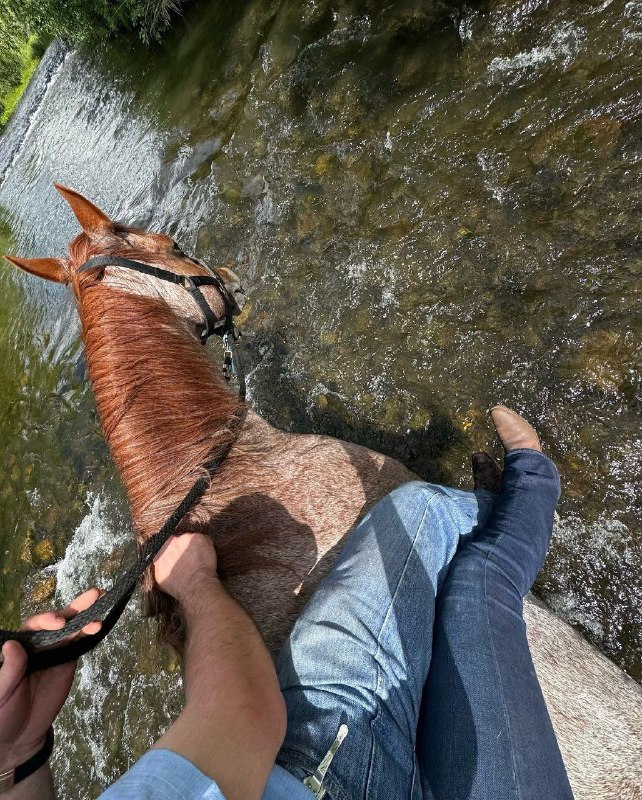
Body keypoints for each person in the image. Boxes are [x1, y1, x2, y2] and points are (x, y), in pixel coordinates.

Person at [0, 406, 574, 800]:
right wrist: (196, 582)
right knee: (452, 552)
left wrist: (21, 758)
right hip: (333, 771)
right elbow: (246, 717)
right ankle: (526, 483)